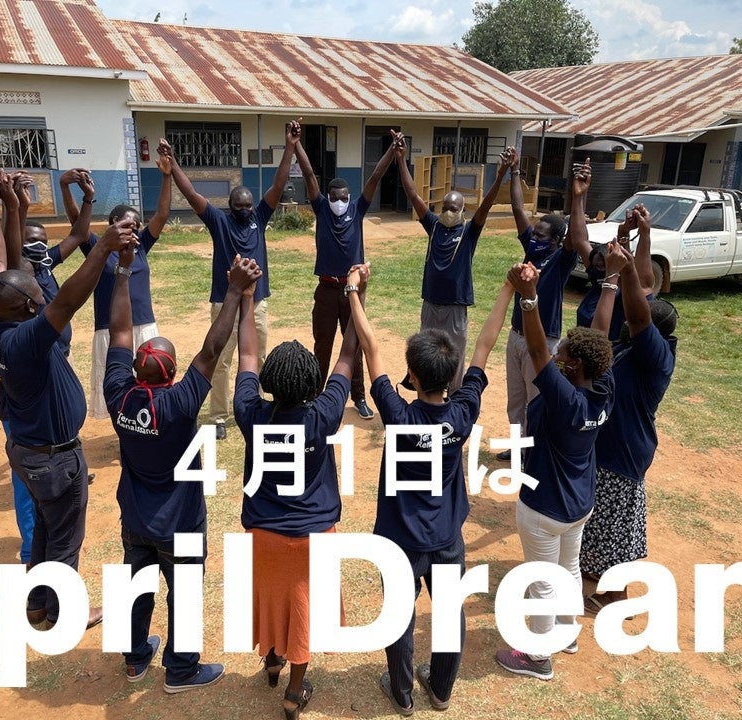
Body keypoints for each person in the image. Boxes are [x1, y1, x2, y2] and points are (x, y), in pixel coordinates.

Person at [345, 262, 512, 714]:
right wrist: (508, 288)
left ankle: (401, 694)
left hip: (400, 538)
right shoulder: (462, 413)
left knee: (399, 617)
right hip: (445, 538)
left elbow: (370, 346)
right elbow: (484, 344)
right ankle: (440, 690)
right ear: (452, 375)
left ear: (412, 377)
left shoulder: (399, 416)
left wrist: (354, 291)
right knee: (450, 612)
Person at [0, 169, 132, 629]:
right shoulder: (28, 340)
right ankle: (66, 612)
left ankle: (37, 604)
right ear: (31, 307)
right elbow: (66, 301)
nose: (41, 293)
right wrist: (103, 249)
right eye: (37, 295)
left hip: (28, 449)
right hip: (53, 457)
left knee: (46, 528)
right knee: (65, 538)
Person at [104, 245, 262, 691]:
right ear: (172, 374)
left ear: (135, 370)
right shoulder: (179, 403)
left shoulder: (118, 394)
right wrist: (235, 292)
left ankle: (135, 659)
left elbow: (120, 331)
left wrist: (122, 272)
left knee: (136, 588)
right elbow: (212, 350)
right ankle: (181, 669)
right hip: (181, 523)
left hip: (136, 519)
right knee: (186, 592)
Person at [233, 262, 361, 720]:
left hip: (264, 532)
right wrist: (356, 297)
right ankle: (293, 693)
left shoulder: (250, 412)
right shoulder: (323, 414)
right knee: (305, 611)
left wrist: (247, 298)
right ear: (311, 382)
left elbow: (248, 354)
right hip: (314, 535)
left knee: (272, 600)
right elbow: (346, 356)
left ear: (270, 383)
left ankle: (271, 662)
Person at [495, 262, 614, 681]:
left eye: (564, 352)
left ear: (575, 365)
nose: (556, 352)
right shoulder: (603, 387)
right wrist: (610, 283)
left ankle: (537, 657)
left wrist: (529, 298)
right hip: (579, 504)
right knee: (567, 568)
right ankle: (567, 632)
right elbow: (599, 336)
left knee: (543, 579)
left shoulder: (566, 399)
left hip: (545, 506)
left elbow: (537, 352)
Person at [165, 122, 297, 440]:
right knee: (221, 360)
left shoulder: (259, 218)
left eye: (248, 206)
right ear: (230, 207)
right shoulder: (219, 222)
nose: (245, 210)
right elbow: (191, 194)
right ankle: (219, 416)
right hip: (225, 303)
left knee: (257, 357)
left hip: (257, 302)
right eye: (239, 207)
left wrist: (290, 147)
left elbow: (278, 185)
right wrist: (173, 164)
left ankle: (257, 407)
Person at [0, 170, 94, 563]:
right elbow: (9, 253)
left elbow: (79, 234)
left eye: (41, 242)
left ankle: (37, 567)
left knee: (41, 489)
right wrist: (13, 207)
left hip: (47, 380)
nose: (36, 248)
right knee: (34, 485)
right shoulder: (19, 289)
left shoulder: (45, 266)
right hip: (32, 400)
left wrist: (85, 198)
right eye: (29, 243)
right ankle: (31, 554)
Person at [581, 240, 677, 613]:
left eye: (637, 321)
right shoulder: (630, 350)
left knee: (615, 525)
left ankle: (615, 594)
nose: (629, 320)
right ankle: (594, 570)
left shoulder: (656, 355)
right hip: (610, 445)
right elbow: (642, 296)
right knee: (601, 518)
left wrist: (626, 271)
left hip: (623, 451)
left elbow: (638, 316)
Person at [293, 121, 397, 419]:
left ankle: (359, 397)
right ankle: (315, 395)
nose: (339, 202)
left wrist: (392, 149)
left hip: (352, 291)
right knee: (323, 345)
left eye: (343, 197)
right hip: (326, 289)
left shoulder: (357, 209)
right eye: (334, 197)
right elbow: (309, 175)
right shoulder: (321, 208)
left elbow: (375, 177)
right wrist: (296, 144)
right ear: (327, 197)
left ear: (349, 197)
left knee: (356, 344)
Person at [396, 136, 512, 393]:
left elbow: (486, 206)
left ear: (462, 211)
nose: (448, 212)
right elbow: (413, 194)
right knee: (426, 353)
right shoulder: (434, 226)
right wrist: (401, 160)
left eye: (454, 208)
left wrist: (500, 175)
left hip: (455, 307)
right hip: (430, 303)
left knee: (455, 356)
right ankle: (427, 394)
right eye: (446, 207)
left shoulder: (469, 232)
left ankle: (455, 397)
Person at [62, 152, 173, 420]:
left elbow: (162, 214)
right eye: (127, 225)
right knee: (115, 387)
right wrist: (65, 187)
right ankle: (124, 427)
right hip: (110, 328)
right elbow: (77, 222)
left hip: (144, 325)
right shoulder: (99, 248)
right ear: (113, 223)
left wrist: (167, 176)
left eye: (137, 227)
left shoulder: (140, 246)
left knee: (150, 385)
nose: (133, 231)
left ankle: (146, 427)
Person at [497, 153, 593, 459]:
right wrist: (514, 171)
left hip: (543, 341)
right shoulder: (532, 251)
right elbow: (517, 208)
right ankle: (518, 448)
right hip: (516, 336)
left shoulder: (561, 260)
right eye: (534, 233)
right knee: (515, 399)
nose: (533, 237)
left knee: (536, 400)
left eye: (540, 235)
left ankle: (535, 452)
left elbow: (576, 235)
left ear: (556, 240)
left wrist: (578, 196)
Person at [575, 203, 656, 341]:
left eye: (605, 262)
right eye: (596, 263)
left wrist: (644, 234)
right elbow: (580, 240)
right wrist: (578, 198)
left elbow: (642, 284)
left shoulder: (622, 295)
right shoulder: (596, 284)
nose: (599, 264)